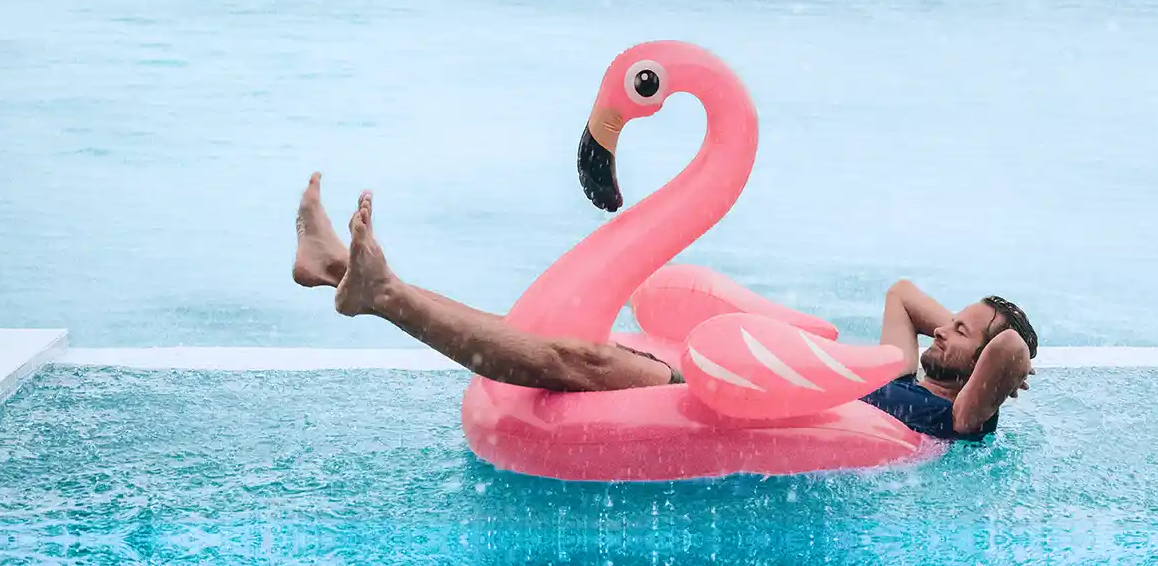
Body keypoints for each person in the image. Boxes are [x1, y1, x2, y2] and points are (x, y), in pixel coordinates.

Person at [292, 173, 1038, 441]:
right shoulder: (906, 374)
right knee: (552, 333)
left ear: (981, 366)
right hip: (749, 390)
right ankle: (334, 270)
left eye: (958, 330)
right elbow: (902, 294)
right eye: (952, 321)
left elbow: (1006, 355)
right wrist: (965, 330)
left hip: (758, 413)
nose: (940, 326)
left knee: (570, 359)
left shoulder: (960, 416)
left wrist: (1002, 354)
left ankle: (383, 297)